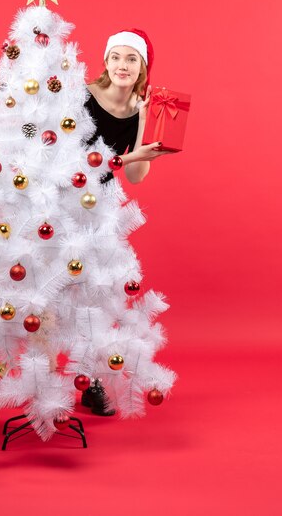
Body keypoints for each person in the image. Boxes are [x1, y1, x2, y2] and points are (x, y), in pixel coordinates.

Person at [81, 29, 173, 415]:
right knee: (58, 294)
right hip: (58, 202)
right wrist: (133, 158)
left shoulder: (140, 108)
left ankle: (91, 381)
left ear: (142, 69)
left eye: (131, 59)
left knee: (98, 295)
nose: (122, 65)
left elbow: (134, 178)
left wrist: (147, 123)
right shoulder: (82, 96)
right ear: (105, 62)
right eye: (116, 57)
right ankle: (49, 380)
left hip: (99, 208)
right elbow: (72, 161)